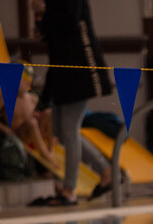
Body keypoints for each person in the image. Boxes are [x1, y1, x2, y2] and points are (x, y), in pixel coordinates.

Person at [34, 0, 115, 205]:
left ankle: (69, 190)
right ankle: (106, 171)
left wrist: (44, 11)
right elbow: (49, 38)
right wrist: (40, 17)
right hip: (64, 73)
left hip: (81, 71)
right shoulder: (52, 9)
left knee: (69, 130)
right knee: (59, 130)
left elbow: (69, 21)